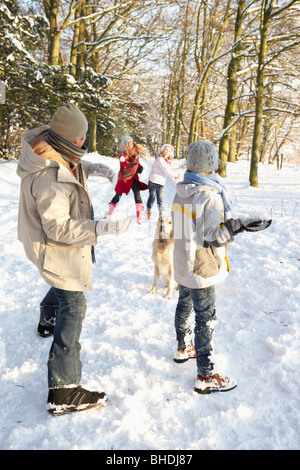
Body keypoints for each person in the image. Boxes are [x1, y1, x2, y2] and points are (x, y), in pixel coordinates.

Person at [17, 102, 133, 414]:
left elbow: (70, 167)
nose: (84, 142)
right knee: (75, 302)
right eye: (81, 137)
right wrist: (101, 228)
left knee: (64, 282)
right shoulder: (51, 177)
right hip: (51, 244)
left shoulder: (53, 147)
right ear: (69, 138)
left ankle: (47, 313)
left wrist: (91, 169)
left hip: (46, 242)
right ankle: (64, 390)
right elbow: (57, 228)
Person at [171, 140, 272, 394]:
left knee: (184, 304)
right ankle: (206, 374)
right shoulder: (210, 195)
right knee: (206, 318)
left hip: (183, 261)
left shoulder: (182, 189)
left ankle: (183, 347)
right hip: (202, 266)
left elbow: (184, 228)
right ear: (211, 165)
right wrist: (239, 225)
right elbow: (213, 236)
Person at [104, 136, 148, 224]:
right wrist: (132, 165)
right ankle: (108, 214)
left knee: (137, 194)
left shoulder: (136, 153)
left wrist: (139, 167)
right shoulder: (122, 154)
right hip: (124, 178)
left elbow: (137, 163)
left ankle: (139, 217)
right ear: (124, 145)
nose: (129, 144)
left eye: (130, 141)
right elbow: (125, 165)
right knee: (118, 196)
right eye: (127, 142)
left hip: (134, 177)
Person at [146, 144, 180, 220]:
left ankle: (161, 214)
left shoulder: (166, 161)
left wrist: (177, 174)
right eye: (166, 150)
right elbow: (166, 170)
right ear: (162, 150)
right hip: (153, 182)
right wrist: (177, 174)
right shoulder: (159, 159)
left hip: (161, 183)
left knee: (160, 199)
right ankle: (149, 210)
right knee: (152, 197)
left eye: (169, 151)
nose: (167, 152)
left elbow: (170, 169)